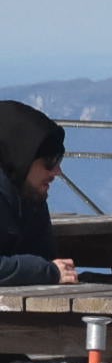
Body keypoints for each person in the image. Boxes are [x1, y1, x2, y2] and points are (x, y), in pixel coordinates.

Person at [0, 101, 77, 289]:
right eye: (50, 161)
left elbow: (44, 256)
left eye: (59, 160)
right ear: (23, 159)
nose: (57, 171)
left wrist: (52, 270)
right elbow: (46, 266)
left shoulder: (31, 194)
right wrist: (48, 272)